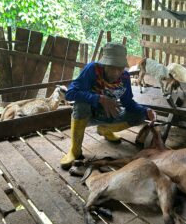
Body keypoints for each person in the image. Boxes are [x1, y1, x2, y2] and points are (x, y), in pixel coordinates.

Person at [60, 42, 157, 170]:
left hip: (109, 115)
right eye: (112, 67)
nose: (116, 72)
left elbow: (128, 102)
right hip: (87, 116)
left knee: (140, 115)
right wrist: (99, 99)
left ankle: (105, 130)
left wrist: (146, 110)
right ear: (105, 63)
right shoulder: (92, 70)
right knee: (81, 104)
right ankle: (75, 150)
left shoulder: (125, 77)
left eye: (120, 67)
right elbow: (70, 94)